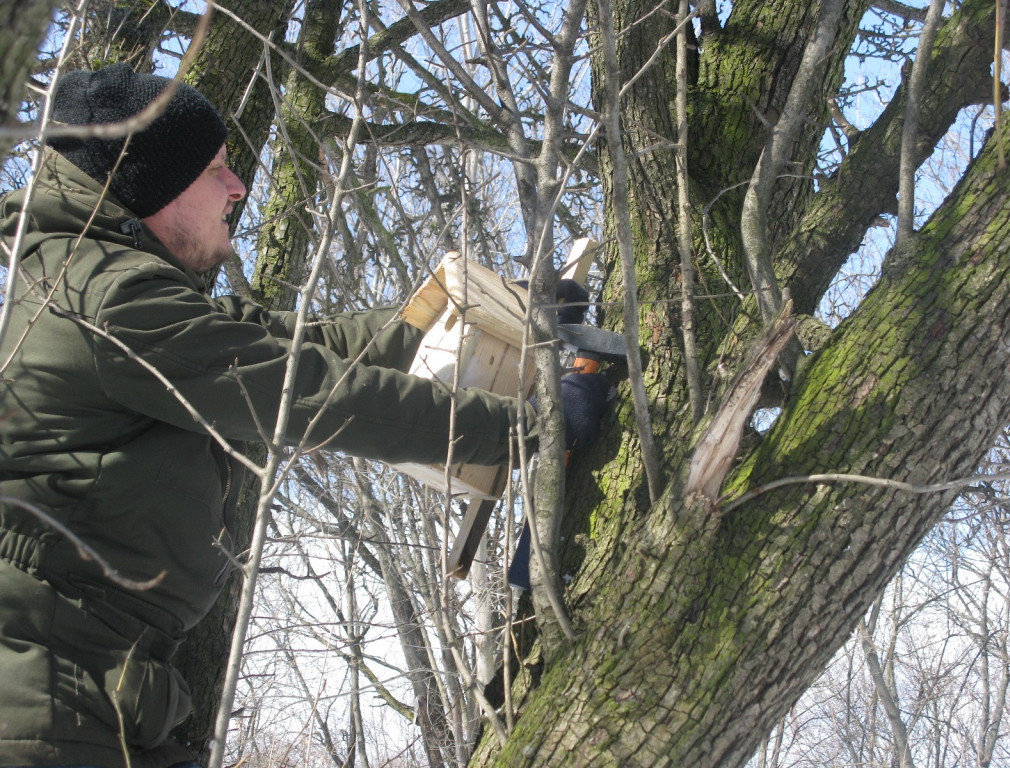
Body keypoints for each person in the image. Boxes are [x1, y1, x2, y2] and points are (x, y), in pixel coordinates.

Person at [0, 63, 609, 767]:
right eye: (215, 171)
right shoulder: (106, 302)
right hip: (44, 704)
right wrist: (533, 425)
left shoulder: (103, 280)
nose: (237, 188)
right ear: (150, 185)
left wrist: (486, 315)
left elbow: (309, 347)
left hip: (92, 686)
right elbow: (310, 394)